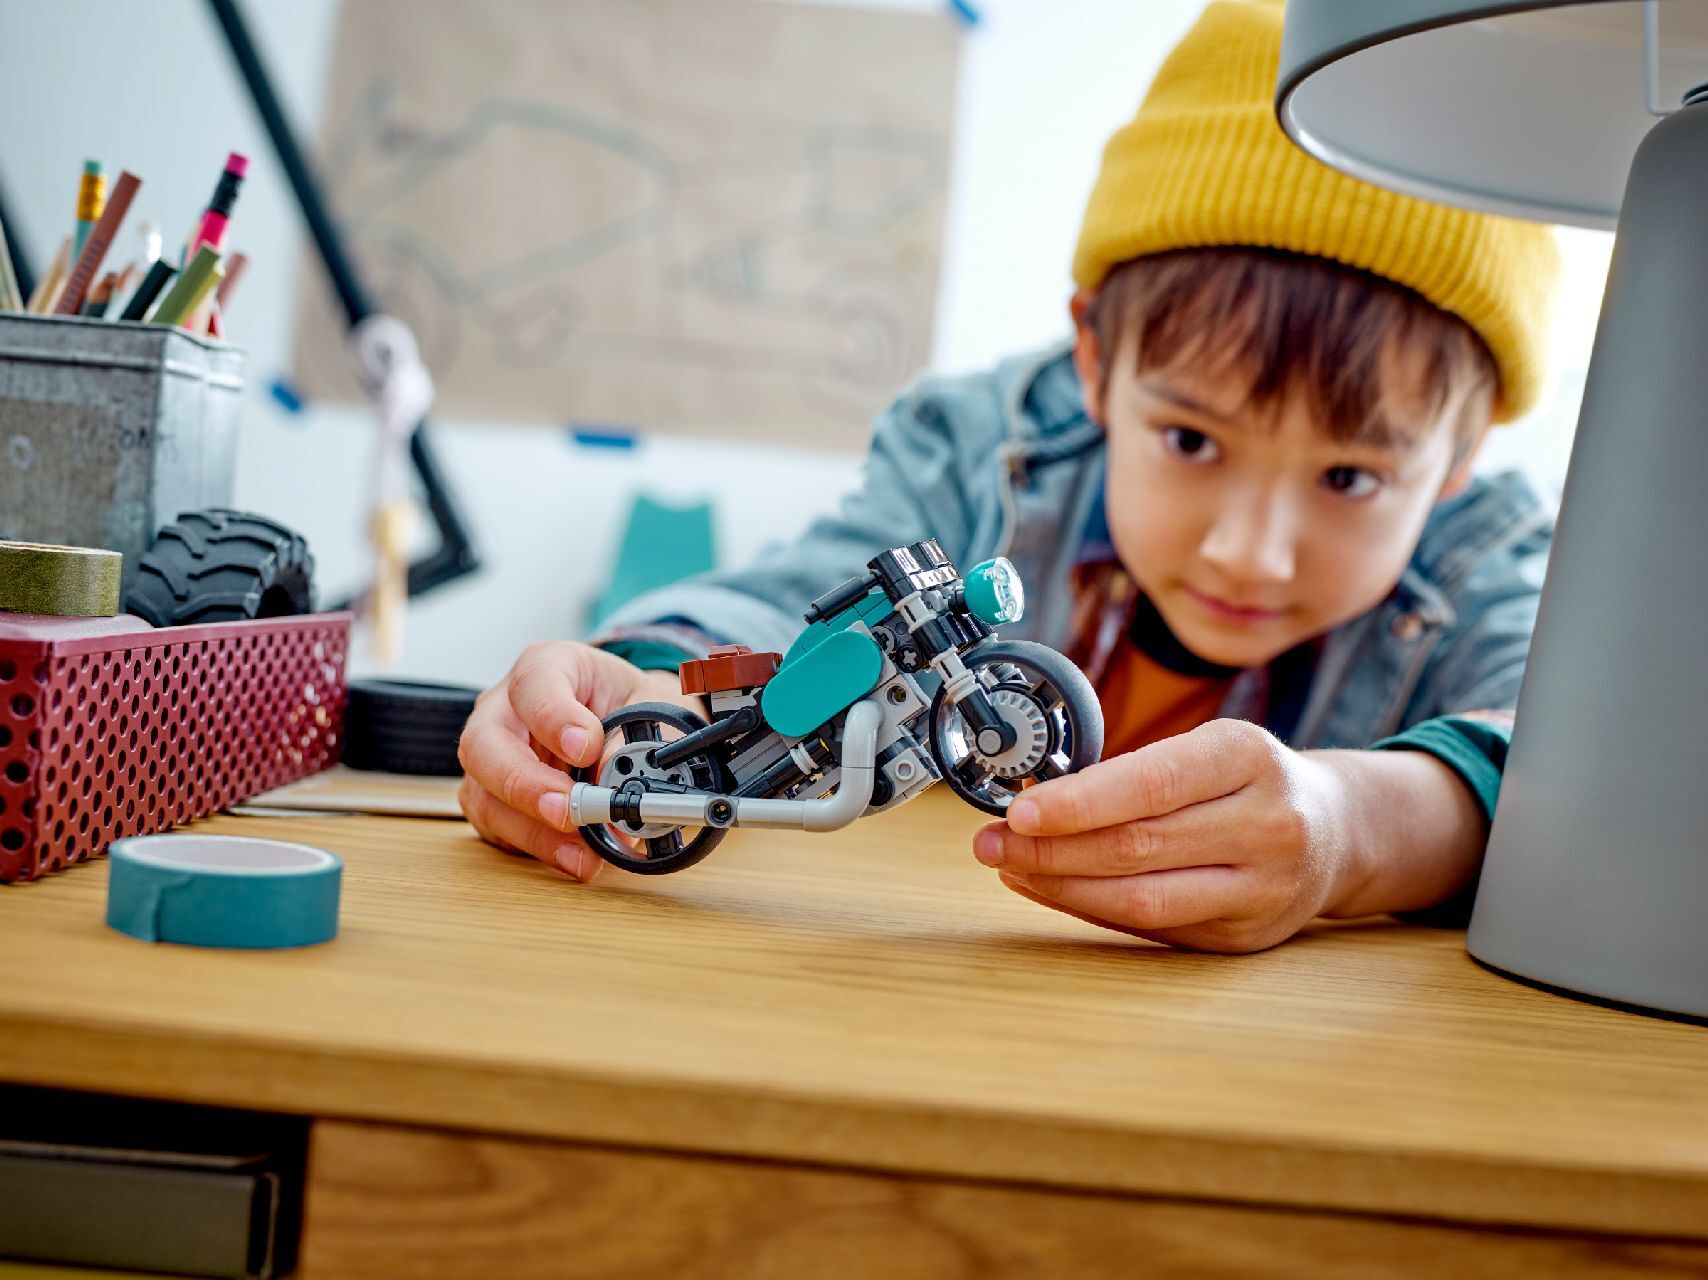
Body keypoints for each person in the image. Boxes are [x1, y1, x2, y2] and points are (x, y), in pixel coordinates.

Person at [457, 0, 1561, 952]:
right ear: (1093, 357)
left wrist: (1355, 829)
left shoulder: (1486, 562)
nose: (1247, 548)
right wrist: (626, 681)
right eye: (1190, 440)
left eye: (1351, 478)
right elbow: (791, 595)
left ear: (1462, 456)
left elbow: (1571, 770)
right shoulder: (978, 448)